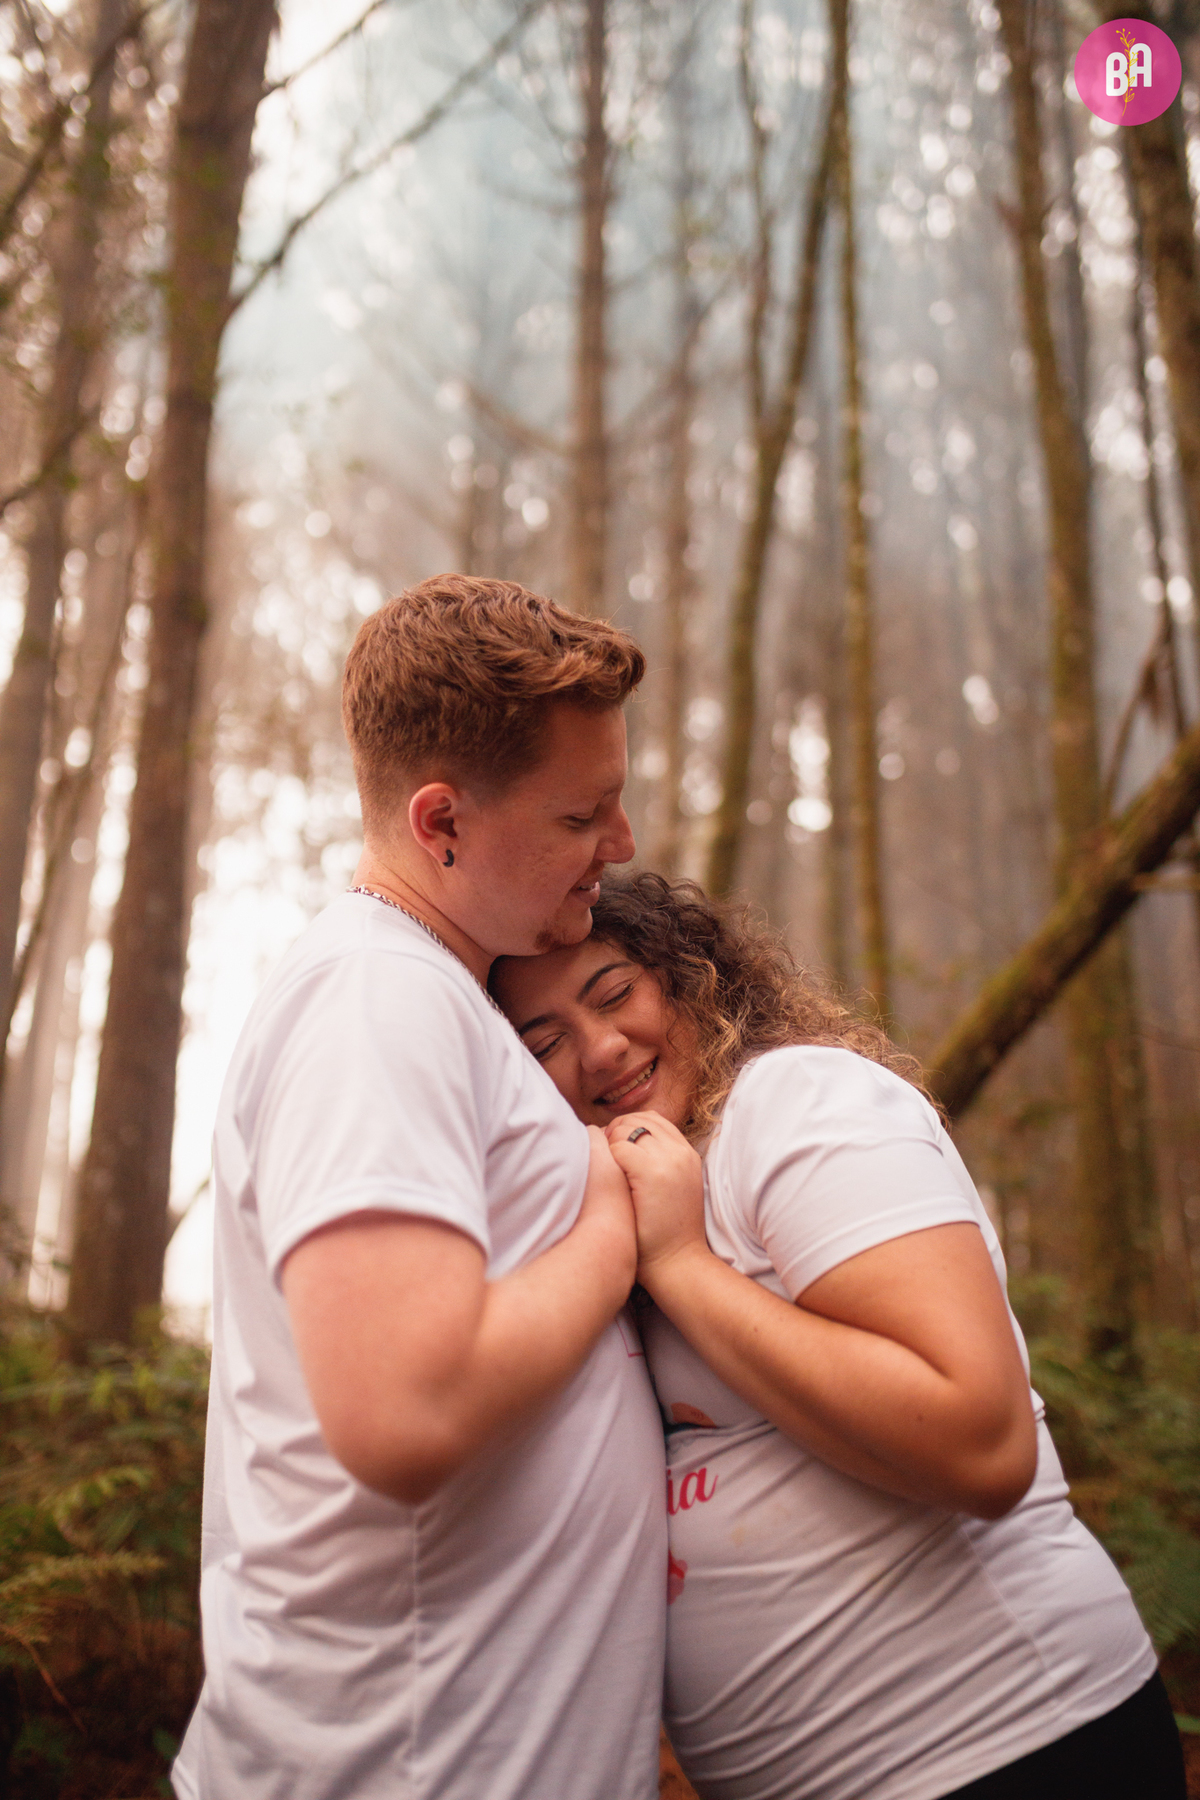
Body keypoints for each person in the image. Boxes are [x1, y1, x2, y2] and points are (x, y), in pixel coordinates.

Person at [491, 871, 1186, 1800]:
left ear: (685, 975)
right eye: (545, 1045)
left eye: (614, 993)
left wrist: (682, 1266)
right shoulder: (650, 1187)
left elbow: (979, 1440)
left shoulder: (793, 1105)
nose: (603, 1049)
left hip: (1015, 1744)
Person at [173, 577, 668, 1800]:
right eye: (580, 815)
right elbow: (404, 1411)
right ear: (440, 821)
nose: (622, 845)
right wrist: (615, 1232)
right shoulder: (372, 1003)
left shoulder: (439, 997)